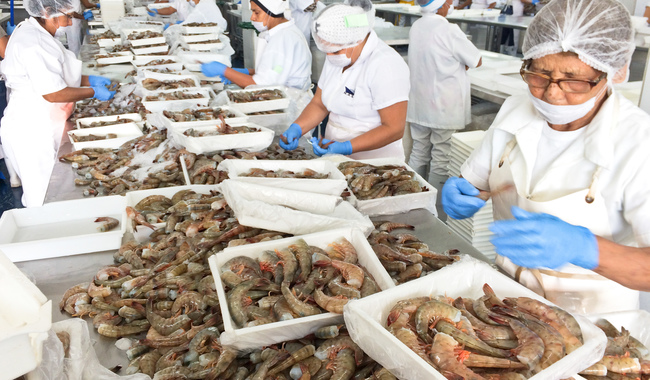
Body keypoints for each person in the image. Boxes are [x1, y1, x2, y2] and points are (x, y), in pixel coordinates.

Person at [441, 0, 650, 314]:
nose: (552, 93)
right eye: (539, 75)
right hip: (505, 298)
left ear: (610, 73)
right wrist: (465, 192)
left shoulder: (637, 142)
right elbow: (481, 181)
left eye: (574, 81)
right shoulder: (515, 107)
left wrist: (586, 249)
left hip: (594, 317)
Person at [1, 0, 115, 208]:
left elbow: (56, 75)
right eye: (68, 16)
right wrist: (92, 92)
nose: (71, 23)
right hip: (31, 130)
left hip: (43, 121)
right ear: (47, 11)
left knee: (50, 193)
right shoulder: (33, 43)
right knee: (44, 198)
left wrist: (90, 80)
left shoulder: (38, 33)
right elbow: (53, 93)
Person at [278, 0, 410, 160]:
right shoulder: (338, 56)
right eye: (327, 51)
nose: (330, 57)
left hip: (375, 163)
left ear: (357, 39)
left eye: (335, 51)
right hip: (335, 156)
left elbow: (394, 128)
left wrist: (347, 147)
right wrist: (297, 128)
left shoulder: (386, 65)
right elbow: (320, 103)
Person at [406, 0, 481, 217]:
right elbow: (477, 60)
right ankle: (434, 210)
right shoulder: (448, 29)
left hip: (420, 103)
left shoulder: (417, 26)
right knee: (441, 156)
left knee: (419, 151)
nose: (451, 3)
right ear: (440, 4)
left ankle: (411, 199)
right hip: (443, 106)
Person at [201, 0, 311, 91]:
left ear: (271, 11)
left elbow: (262, 85)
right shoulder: (285, 32)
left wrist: (225, 71)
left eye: (256, 12)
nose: (252, 18)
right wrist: (247, 72)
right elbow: (277, 69)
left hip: (291, 105)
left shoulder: (282, 39)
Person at [148, 0, 227, 31]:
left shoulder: (205, 4)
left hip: (214, 37)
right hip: (199, 32)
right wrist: (156, 11)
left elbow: (189, 24)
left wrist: (174, 25)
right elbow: (171, 9)